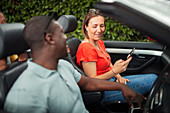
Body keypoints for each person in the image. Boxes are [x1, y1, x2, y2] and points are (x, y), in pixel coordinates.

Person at [4, 15, 146, 113]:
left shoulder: (62, 65)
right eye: (62, 33)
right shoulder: (24, 95)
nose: (66, 37)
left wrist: (121, 86)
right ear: (50, 39)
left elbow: (88, 83)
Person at [76, 9, 157, 102]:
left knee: (154, 77)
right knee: (153, 80)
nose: (99, 30)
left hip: (112, 81)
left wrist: (118, 76)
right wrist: (114, 72)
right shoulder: (86, 48)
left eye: (102, 26)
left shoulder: (98, 42)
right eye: (94, 26)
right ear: (86, 27)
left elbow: (107, 62)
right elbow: (92, 81)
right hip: (103, 90)